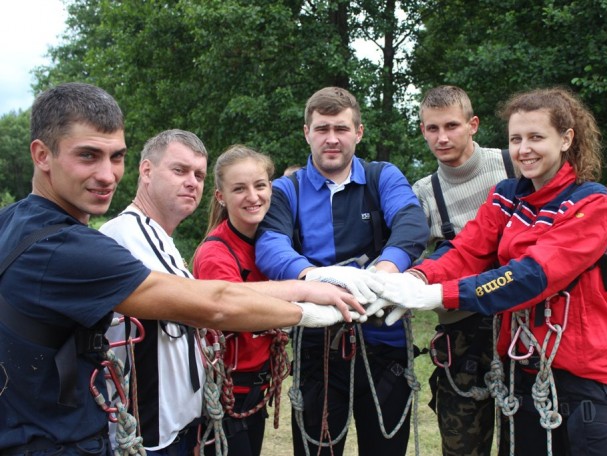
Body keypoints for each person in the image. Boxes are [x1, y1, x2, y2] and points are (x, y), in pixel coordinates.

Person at [0, 82, 374, 456]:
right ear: (42, 155)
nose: (107, 174)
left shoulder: (18, 222)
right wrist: (311, 308)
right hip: (78, 440)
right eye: (87, 156)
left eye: (116, 157)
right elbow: (215, 304)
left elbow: (206, 293)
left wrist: (304, 288)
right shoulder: (80, 246)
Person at [373, 87, 607, 455]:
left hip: (582, 379)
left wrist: (436, 294)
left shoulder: (591, 201)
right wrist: (415, 277)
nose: (524, 149)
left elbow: (534, 274)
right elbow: (467, 250)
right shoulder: (507, 196)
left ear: (566, 138)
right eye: (516, 139)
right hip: (521, 373)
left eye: (536, 137)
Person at [254, 86, 429, 455]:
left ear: (358, 132)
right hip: (319, 344)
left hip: (385, 340)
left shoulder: (382, 176)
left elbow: (411, 222)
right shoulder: (288, 189)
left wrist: (383, 272)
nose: (331, 139)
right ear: (307, 133)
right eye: (321, 129)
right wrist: (315, 278)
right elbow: (270, 244)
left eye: (341, 128)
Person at [411, 85, 514, 456]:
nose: (442, 137)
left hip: (520, 327)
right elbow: (405, 250)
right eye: (432, 128)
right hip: (461, 336)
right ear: (422, 130)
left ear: (473, 125)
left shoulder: (513, 164)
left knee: (528, 440)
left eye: (451, 126)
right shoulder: (423, 192)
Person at [99, 129, 210, 455]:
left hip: (178, 429)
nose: (192, 182)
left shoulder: (161, 240)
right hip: (149, 436)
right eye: (180, 170)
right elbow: (210, 304)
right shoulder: (129, 233)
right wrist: (305, 301)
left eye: (199, 175)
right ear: (146, 171)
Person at [192, 145, 285, 455]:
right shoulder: (216, 253)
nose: (253, 196)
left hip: (255, 388)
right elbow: (235, 311)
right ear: (221, 196)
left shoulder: (273, 243)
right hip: (227, 392)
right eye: (239, 189)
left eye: (260, 185)